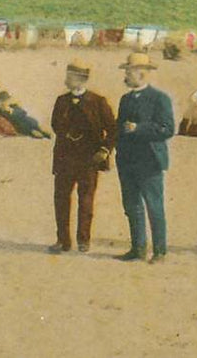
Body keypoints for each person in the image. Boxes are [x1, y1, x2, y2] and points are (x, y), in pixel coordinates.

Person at [49, 60, 117, 254]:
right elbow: (55, 124)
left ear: (81, 79)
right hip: (65, 158)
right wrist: (67, 134)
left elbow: (112, 130)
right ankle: (63, 241)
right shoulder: (61, 101)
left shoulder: (98, 101)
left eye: (70, 76)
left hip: (89, 160)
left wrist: (104, 151)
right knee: (61, 198)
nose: (66, 79)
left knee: (86, 200)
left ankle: (83, 241)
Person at [114, 52, 175, 263]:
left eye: (129, 71)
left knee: (154, 206)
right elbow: (118, 129)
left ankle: (160, 252)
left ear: (142, 73)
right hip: (127, 161)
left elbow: (167, 129)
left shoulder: (160, 98)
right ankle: (138, 248)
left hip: (149, 161)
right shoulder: (125, 99)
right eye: (126, 71)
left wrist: (139, 128)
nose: (126, 75)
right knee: (131, 206)